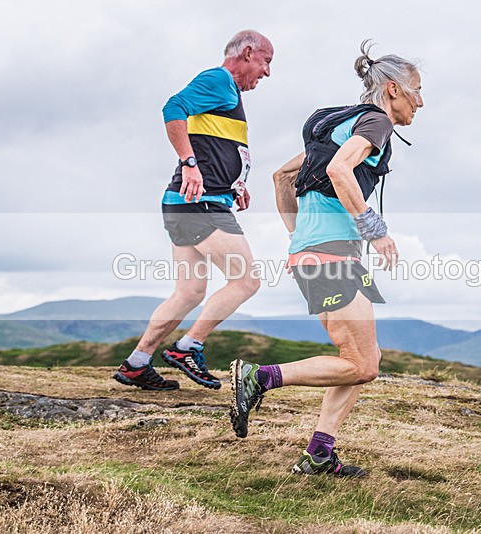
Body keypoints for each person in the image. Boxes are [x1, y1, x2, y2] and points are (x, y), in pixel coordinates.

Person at [229, 40, 423, 477]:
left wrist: (299, 238)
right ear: (393, 89)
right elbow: (338, 171)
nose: (421, 101)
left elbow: (282, 176)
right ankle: (258, 378)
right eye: (416, 90)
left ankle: (320, 453)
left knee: (359, 360)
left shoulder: (339, 123)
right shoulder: (375, 123)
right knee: (362, 364)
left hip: (318, 253)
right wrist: (375, 230)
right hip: (332, 255)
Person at [112, 30, 273, 391]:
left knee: (188, 292)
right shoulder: (218, 79)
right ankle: (188, 347)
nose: (266, 73)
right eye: (266, 62)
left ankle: (136, 363)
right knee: (247, 281)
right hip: (200, 204)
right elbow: (173, 108)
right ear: (247, 53)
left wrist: (236, 184)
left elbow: (215, 147)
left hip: (191, 202)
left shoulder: (225, 93)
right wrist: (188, 162)